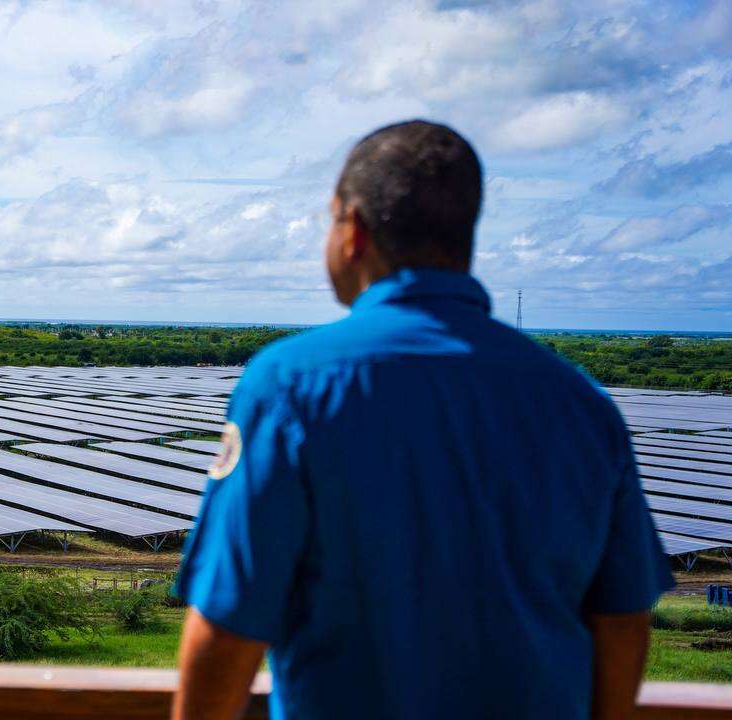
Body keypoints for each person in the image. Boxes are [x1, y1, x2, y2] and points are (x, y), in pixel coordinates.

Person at [171, 120, 674, 720]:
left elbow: (228, 627)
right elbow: (622, 621)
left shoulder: (289, 385)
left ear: (353, 230)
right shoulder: (583, 403)